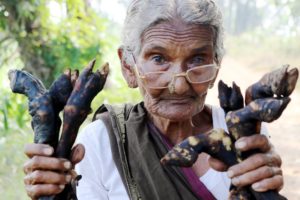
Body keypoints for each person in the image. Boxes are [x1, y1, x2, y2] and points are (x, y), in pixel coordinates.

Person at [23, 0, 283, 199]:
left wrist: (264, 189)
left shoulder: (240, 134)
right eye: (159, 59)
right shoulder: (99, 143)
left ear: (217, 64)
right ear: (128, 66)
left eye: (198, 60)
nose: (180, 85)